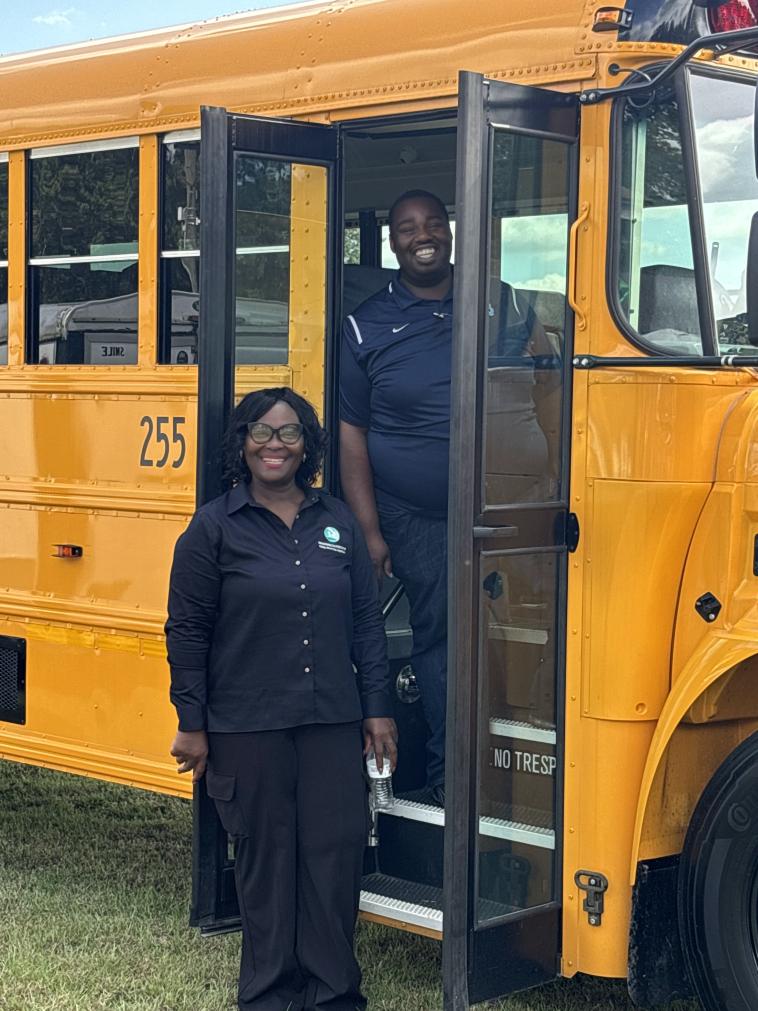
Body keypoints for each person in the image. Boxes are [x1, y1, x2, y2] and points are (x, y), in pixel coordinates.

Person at [166, 386, 397, 1011]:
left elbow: (367, 623)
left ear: (307, 445)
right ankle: (269, 997)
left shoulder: (337, 522)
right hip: (247, 726)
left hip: (330, 722)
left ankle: (333, 996)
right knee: (267, 867)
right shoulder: (213, 528)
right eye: (261, 433)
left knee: (334, 859)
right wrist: (192, 722)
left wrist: (376, 707)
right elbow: (186, 630)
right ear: (241, 444)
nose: (275, 445)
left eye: (289, 433)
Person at [340, 190, 542, 805]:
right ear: (392, 242)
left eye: (432, 224)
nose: (420, 235)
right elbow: (353, 435)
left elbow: (546, 389)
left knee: (524, 629)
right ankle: (452, 777)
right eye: (406, 228)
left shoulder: (502, 302)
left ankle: (513, 765)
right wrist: (370, 532)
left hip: (509, 504)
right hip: (417, 514)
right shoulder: (365, 324)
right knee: (446, 637)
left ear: (452, 233)